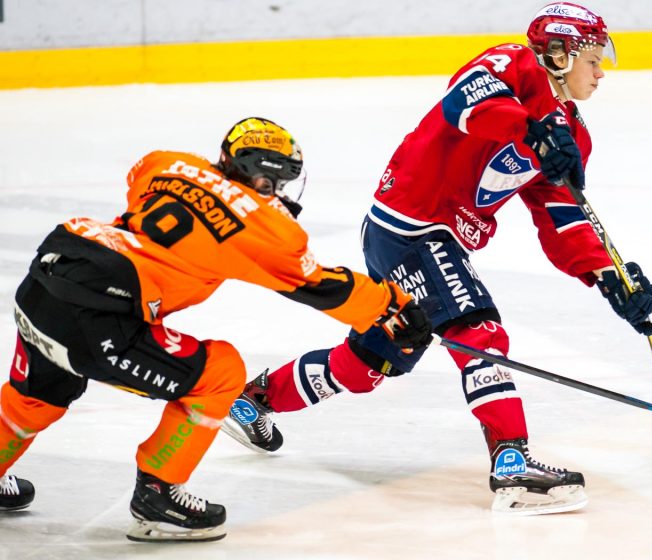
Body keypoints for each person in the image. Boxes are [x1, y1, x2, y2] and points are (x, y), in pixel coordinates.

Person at [221, 2, 652, 515]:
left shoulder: (571, 137)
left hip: (424, 237)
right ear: (560, 55)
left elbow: (561, 218)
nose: (601, 72)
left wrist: (607, 276)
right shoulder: (512, 65)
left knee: (374, 361)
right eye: (593, 59)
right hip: (413, 226)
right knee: (479, 331)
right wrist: (530, 130)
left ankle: (253, 401)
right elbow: (464, 106)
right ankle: (512, 466)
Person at [0, 117, 431, 541]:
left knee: (34, 396)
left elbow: (140, 182)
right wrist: (392, 308)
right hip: (98, 313)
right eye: (280, 184)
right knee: (219, 372)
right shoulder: (262, 226)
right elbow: (320, 286)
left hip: (47, 281)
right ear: (264, 179)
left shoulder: (167, 163)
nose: (282, 194)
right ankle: (158, 497)